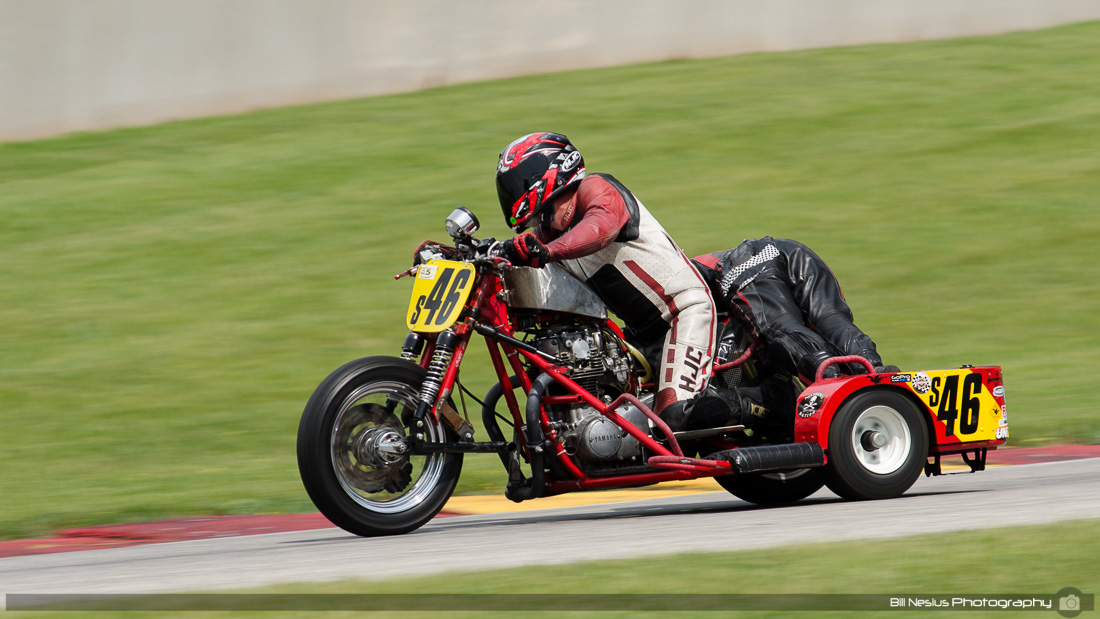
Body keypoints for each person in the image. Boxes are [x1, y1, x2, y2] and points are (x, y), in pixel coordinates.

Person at [495, 132, 722, 422]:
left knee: (673, 418)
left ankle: (757, 405)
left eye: (520, 181)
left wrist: (546, 252)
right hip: (638, 338)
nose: (515, 191)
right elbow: (516, 255)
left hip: (683, 312)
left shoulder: (595, 188)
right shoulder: (551, 232)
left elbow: (601, 227)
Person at [692, 236, 898, 384]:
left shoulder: (676, 286)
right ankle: (874, 370)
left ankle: (828, 380)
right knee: (831, 320)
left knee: (781, 328)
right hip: (793, 250)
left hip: (744, 261)